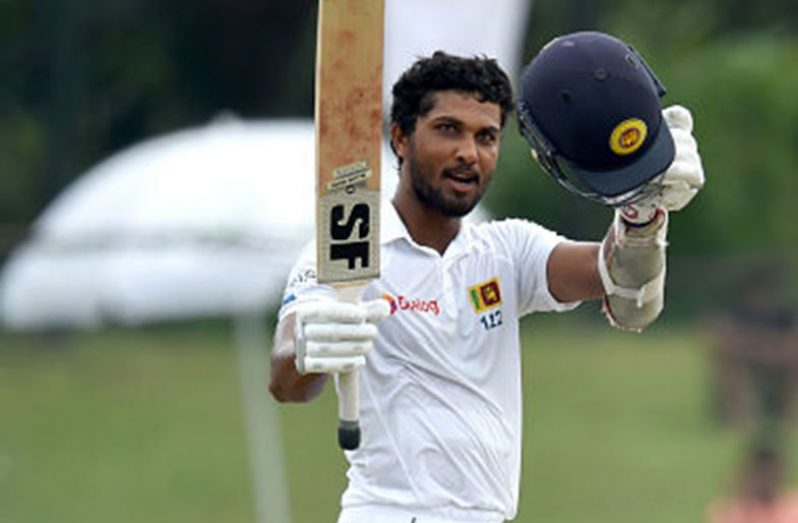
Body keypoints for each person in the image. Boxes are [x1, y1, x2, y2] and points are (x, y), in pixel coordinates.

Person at [270, 31, 704, 523]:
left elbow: (620, 284)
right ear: (401, 138)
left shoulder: (505, 249)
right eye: (448, 130)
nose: (468, 153)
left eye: (486, 136)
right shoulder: (349, 244)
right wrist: (307, 346)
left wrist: (640, 211)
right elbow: (286, 381)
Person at [708, 445, 798, 523]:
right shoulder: (732, 511)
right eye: (762, 471)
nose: (767, 478)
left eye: (771, 471)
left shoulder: (792, 507)